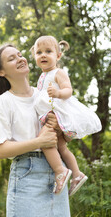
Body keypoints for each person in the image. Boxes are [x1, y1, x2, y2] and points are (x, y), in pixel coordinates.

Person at [0, 44, 71, 217]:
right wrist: (38, 142)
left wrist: (60, 129)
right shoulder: (5, 102)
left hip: (58, 173)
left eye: (19, 55)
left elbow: (65, 137)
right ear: (1, 72)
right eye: (11, 58)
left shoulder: (44, 94)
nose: (20, 59)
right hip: (28, 175)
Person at [30, 35, 102, 196]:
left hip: (56, 115)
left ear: (58, 56)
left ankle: (60, 171)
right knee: (61, 147)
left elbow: (68, 91)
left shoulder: (58, 72)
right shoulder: (42, 76)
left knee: (44, 142)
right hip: (50, 115)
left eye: (48, 51)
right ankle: (76, 174)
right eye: (39, 52)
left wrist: (58, 92)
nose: (43, 55)